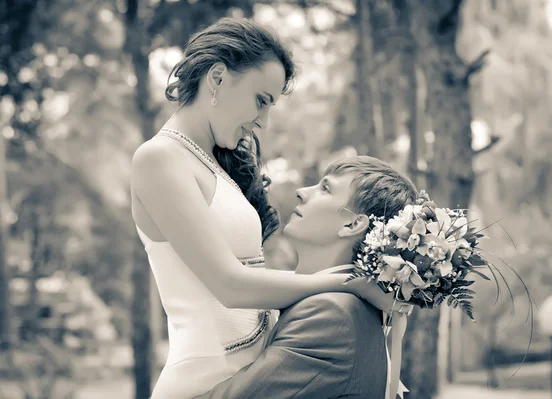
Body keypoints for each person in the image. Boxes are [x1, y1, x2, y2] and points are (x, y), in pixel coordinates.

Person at [130, 19, 400, 398]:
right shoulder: (159, 159)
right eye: (262, 100)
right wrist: (348, 281)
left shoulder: (214, 164)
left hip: (257, 374)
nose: (264, 121)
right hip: (205, 383)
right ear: (218, 78)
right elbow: (228, 284)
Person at [196, 156, 418, 399]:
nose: (302, 192)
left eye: (325, 188)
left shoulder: (331, 314)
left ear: (353, 224)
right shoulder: (345, 305)